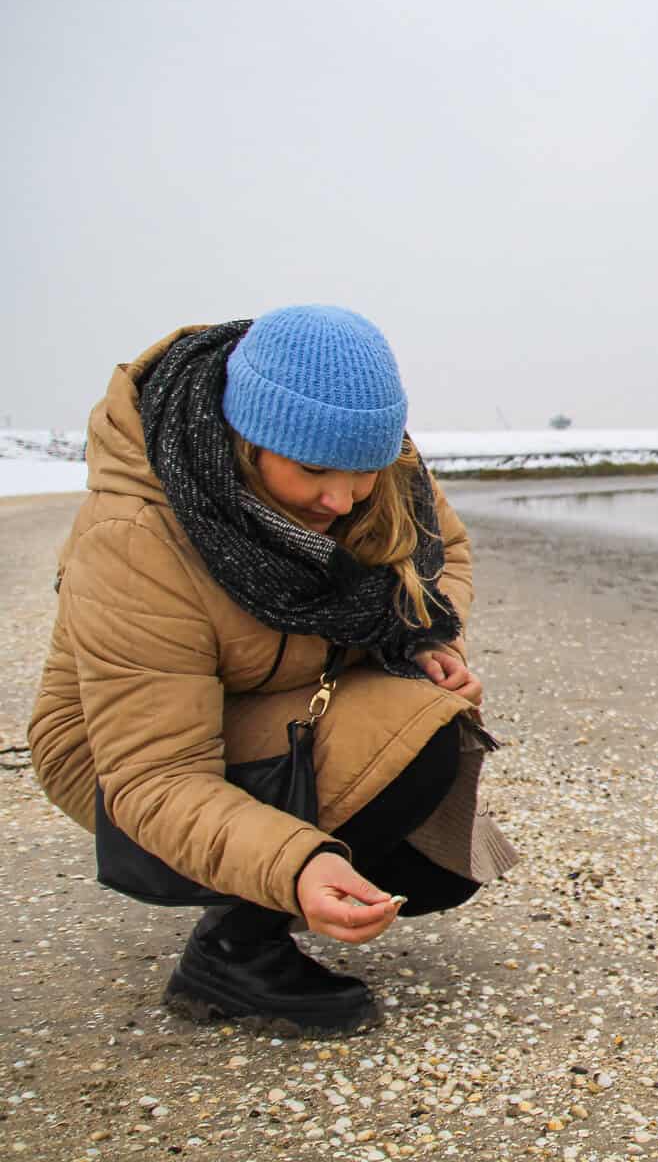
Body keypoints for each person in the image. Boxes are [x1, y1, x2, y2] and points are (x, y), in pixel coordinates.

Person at [27, 305, 519, 1035]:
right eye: (315, 470)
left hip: (278, 701)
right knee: (415, 735)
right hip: (116, 754)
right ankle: (233, 951)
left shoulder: (384, 470)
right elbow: (156, 774)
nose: (341, 499)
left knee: (431, 872)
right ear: (243, 438)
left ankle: (276, 885)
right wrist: (295, 867)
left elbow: (443, 556)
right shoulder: (136, 537)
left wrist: (424, 644)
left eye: (363, 474)